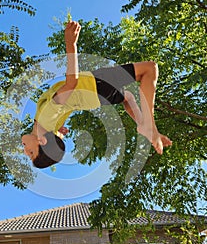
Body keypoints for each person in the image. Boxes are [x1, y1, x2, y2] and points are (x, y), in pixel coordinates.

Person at [22, 21, 172, 168]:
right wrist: (71, 44)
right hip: (94, 85)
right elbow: (71, 84)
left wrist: (59, 131)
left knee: (128, 98)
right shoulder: (46, 117)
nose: (25, 151)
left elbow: (58, 136)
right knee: (149, 69)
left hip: (97, 97)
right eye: (31, 152)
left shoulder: (46, 127)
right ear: (41, 141)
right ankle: (149, 125)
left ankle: (141, 123)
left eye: (28, 154)